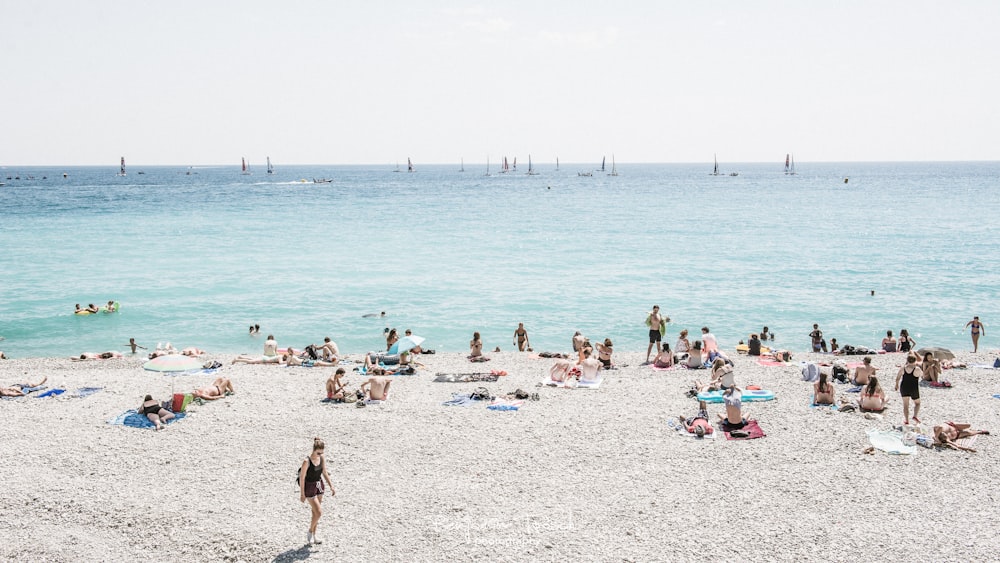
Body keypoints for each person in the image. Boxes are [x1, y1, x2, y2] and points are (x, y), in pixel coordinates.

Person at [298, 438, 335, 546]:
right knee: (319, 512)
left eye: (322, 453)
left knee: (315, 513)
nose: (320, 455)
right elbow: (302, 478)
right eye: (318, 453)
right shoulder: (306, 461)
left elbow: (324, 472)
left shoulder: (321, 458)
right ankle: (310, 531)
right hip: (309, 487)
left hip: (319, 486)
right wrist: (302, 494)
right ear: (314, 450)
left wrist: (331, 485)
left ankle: (314, 535)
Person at [894, 354, 923, 425]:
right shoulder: (917, 369)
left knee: (905, 405)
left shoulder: (903, 368)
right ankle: (915, 416)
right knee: (917, 403)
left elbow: (898, 377)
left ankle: (907, 420)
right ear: (915, 361)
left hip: (904, 387)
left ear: (907, 360)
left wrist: (896, 385)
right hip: (913, 388)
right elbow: (922, 375)